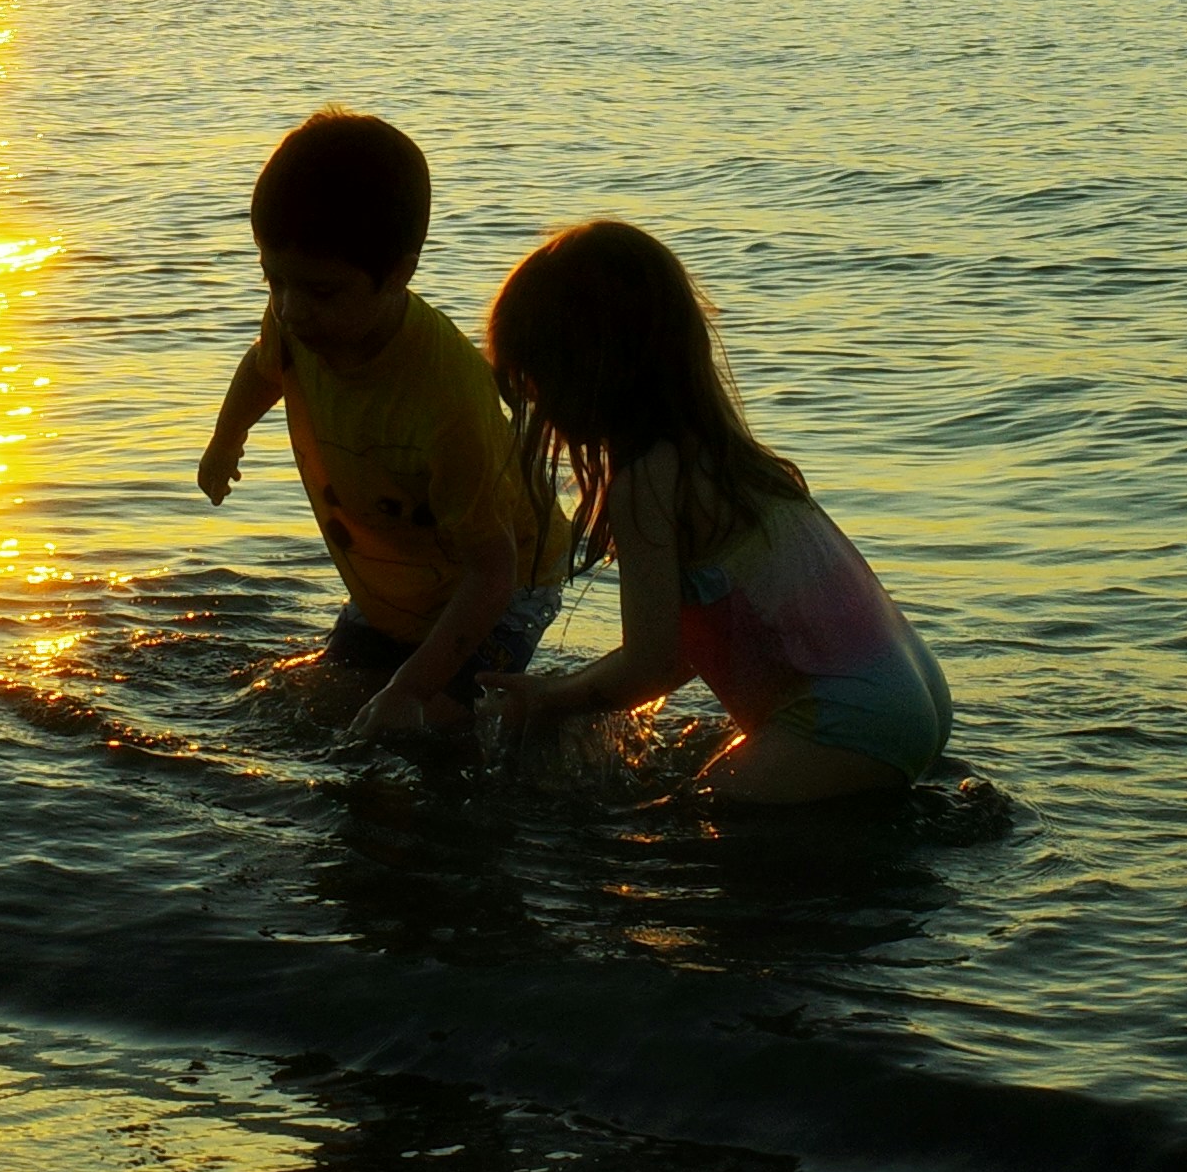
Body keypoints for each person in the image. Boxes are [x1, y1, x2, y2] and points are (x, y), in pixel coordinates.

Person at [481, 217, 952, 807]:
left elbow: (648, 668)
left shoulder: (646, 480)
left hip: (846, 721)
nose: (537, 409)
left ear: (587, 370)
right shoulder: (729, 458)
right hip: (911, 693)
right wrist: (565, 689)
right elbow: (683, 651)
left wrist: (551, 698)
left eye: (534, 384)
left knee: (698, 819)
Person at [197, 108, 572, 741]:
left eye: (319, 292)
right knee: (330, 709)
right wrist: (225, 439)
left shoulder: (446, 400)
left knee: (425, 726)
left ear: (397, 273)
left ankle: (547, 727)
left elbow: (493, 571)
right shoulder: (299, 321)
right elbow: (265, 368)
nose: (290, 308)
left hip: (502, 589)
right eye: (274, 280)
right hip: (397, 581)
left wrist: (410, 688)